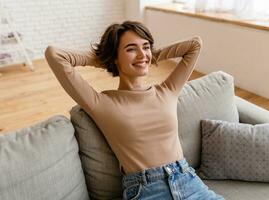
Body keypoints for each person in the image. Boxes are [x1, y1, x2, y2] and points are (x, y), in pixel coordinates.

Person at [45, 21, 224, 200]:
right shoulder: (101, 103)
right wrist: (105, 59)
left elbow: (195, 45)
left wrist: (149, 56)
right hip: (148, 190)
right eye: (131, 49)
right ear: (115, 56)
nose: (141, 54)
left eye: (146, 47)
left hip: (188, 181)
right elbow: (55, 55)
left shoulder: (167, 90)